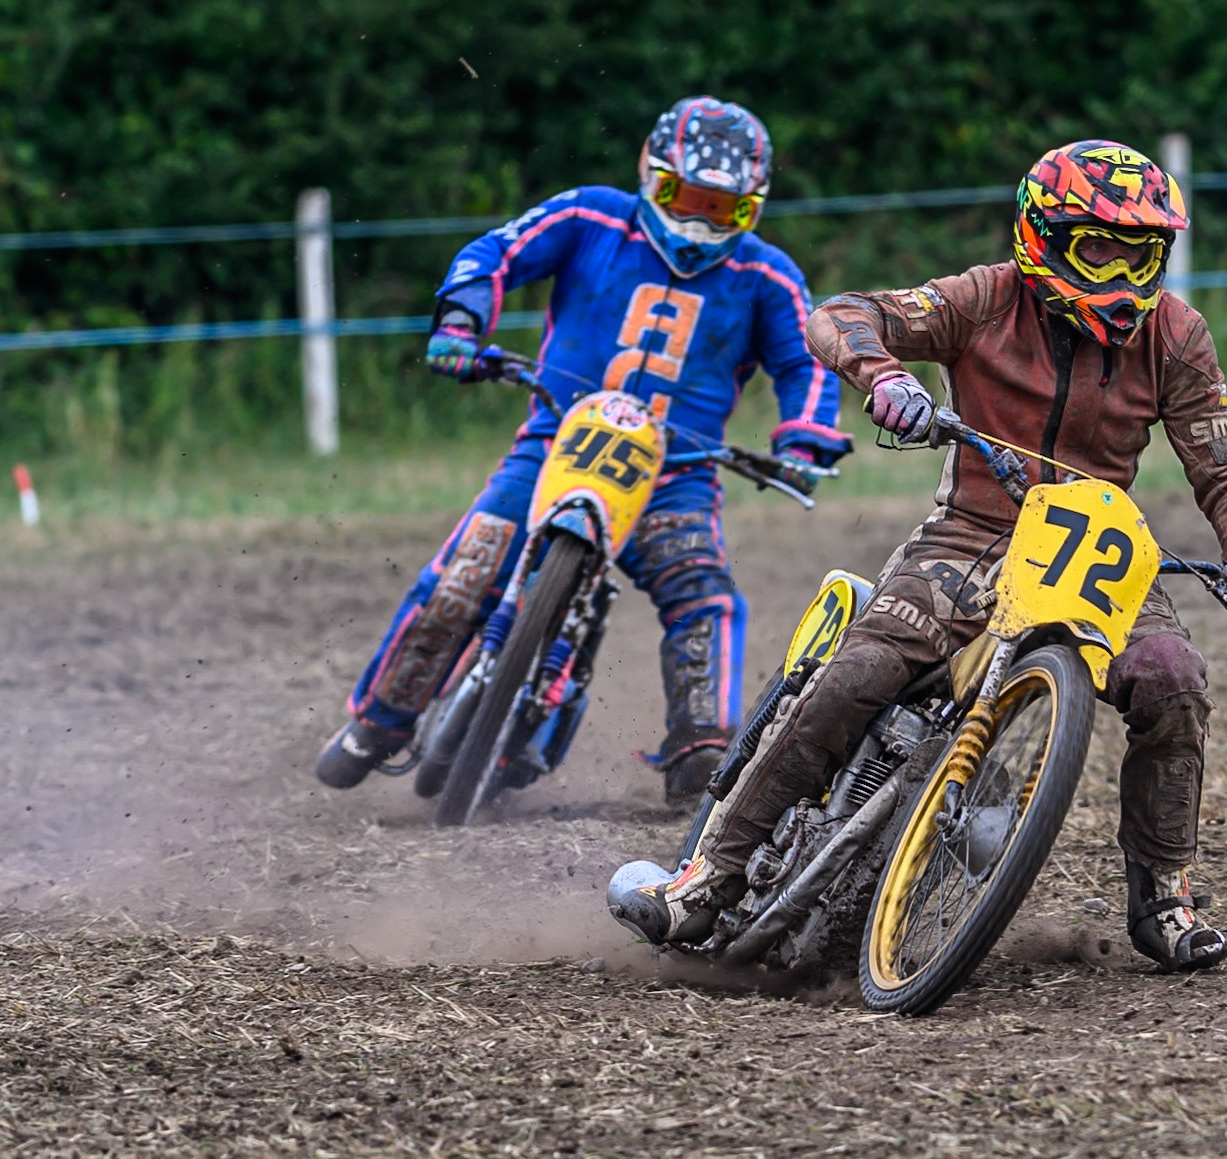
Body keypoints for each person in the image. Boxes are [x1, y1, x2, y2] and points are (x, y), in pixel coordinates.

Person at [612, 140, 1227, 971]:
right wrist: (885, 377)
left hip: (1095, 554)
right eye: (1096, 249)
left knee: (1173, 679)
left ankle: (1164, 893)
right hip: (971, 532)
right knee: (859, 671)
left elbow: (1223, 459)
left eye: (1138, 253)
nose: (1118, 276)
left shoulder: (1176, 333)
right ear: (1042, 237)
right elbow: (842, 313)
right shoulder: (984, 298)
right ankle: (707, 875)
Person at [314, 96, 852, 808]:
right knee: (461, 576)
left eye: (723, 210)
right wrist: (460, 321)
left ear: (751, 208)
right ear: (649, 175)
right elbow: (495, 252)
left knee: (705, 596)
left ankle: (701, 750)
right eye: (683, 197)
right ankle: (381, 722)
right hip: (553, 445)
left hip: (675, 477)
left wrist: (805, 436)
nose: (697, 221)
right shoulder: (588, 217)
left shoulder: (769, 276)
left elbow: (806, 360)